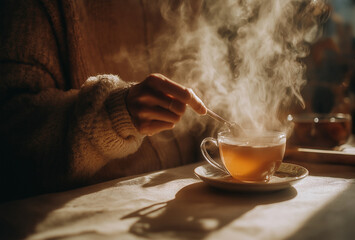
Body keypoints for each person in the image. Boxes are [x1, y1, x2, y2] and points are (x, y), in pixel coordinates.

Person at [0, 0, 213, 202]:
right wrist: (112, 116)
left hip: (190, 201)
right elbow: (13, 135)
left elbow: (207, 93)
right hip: (89, 214)